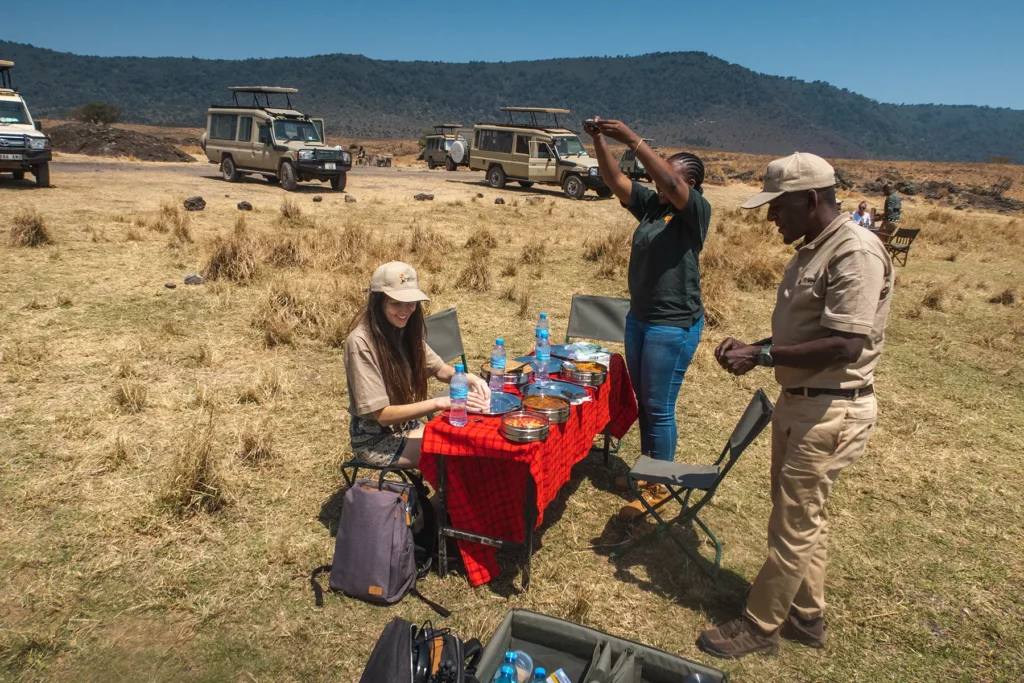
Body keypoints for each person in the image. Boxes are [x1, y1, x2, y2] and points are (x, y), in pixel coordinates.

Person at [699, 153, 893, 659]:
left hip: (830, 409)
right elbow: (806, 333)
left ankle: (760, 626)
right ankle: (807, 617)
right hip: (802, 402)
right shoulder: (814, 249)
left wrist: (760, 355)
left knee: (794, 523)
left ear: (810, 199)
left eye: (778, 206)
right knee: (802, 516)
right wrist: (758, 347)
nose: (770, 217)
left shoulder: (856, 252)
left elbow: (845, 344)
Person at [583, 117, 710, 520]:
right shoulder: (653, 207)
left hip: (671, 325)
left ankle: (658, 485)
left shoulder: (695, 210)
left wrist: (634, 139)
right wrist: (599, 139)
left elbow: (672, 186)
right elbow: (614, 178)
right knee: (645, 401)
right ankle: (648, 469)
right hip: (640, 319)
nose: (659, 175)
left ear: (689, 182)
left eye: (667, 170)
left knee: (660, 406)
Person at [344, 261, 490, 469]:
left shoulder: (402, 330)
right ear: (378, 301)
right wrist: (440, 403)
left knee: (471, 439)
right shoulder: (360, 343)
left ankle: (443, 500)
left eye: (411, 302)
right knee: (457, 453)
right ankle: (438, 502)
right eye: (396, 303)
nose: (405, 310)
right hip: (377, 441)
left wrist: (471, 379)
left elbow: (438, 368)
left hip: (408, 426)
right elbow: (382, 416)